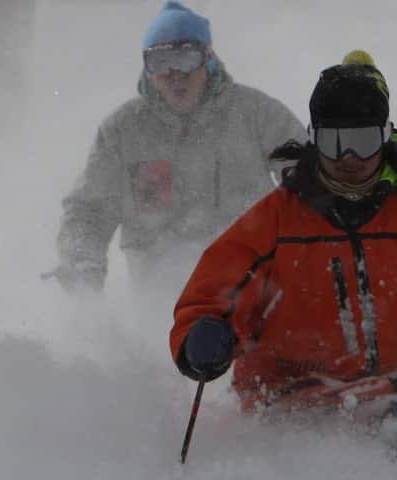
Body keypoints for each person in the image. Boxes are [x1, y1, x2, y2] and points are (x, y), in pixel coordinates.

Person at [167, 52, 397, 478]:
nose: (348, 157)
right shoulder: (274, 224)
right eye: (333, 141)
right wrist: (202, 338)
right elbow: (212, 295)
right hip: (288, 398)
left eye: (362, 141)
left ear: (385, 137)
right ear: (313, 138)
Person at [53, 0, 306, 296]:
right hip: (160, 304)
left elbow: (309, 181)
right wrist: (82, 261)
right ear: (148, 70)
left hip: (253, 291)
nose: (175, 75)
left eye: (187, 58)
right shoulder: (123, 132)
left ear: (208, 59)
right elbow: (89, 210)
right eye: (160, 62)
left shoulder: (255, 115)